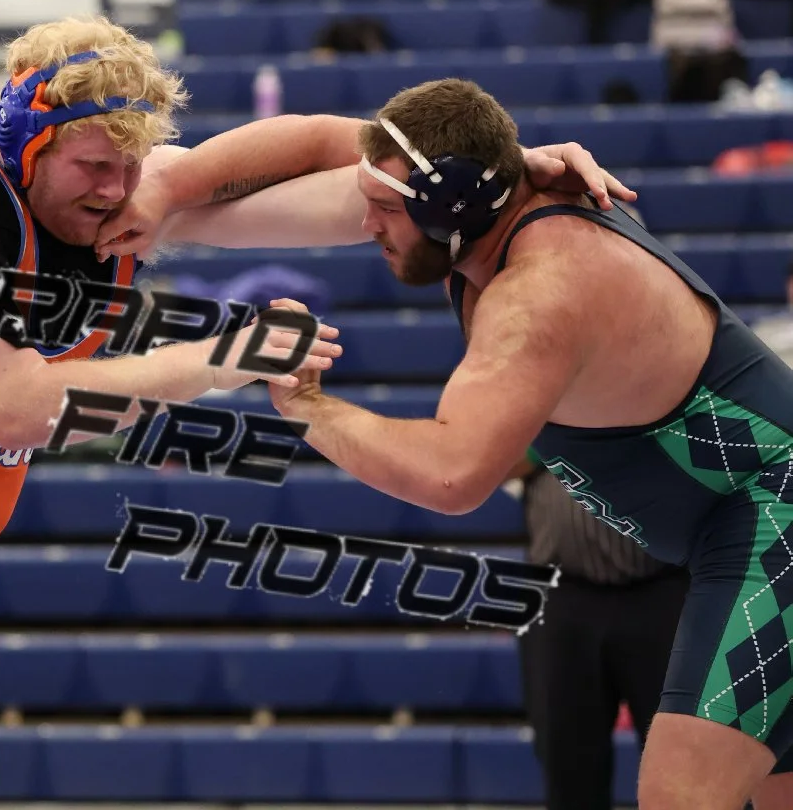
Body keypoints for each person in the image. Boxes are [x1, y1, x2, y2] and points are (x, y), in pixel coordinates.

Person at [0, 18, 616, 810]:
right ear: (23, 141)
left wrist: (488, 177)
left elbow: (343, 166)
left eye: (132, 166)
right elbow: (14, 410)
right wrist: (217, 360)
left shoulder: (123, 200)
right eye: (95, 167)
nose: (114, 189)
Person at [96, 77, 793, 810]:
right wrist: (165, 192)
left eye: (387, 209)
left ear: (452, 206)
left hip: (772, 518)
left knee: (683, 795)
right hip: (732, 528)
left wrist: (306, 407)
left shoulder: (540, 291)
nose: (367, 222)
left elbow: (453, 475)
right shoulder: (475, 199)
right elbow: (314, 139)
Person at [513, 450, 689, 810]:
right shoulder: (535, 415)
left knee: (684, 766)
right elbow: (482, 465)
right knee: (567, 764)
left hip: (664, 587)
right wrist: (545, 438)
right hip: (562, 594)